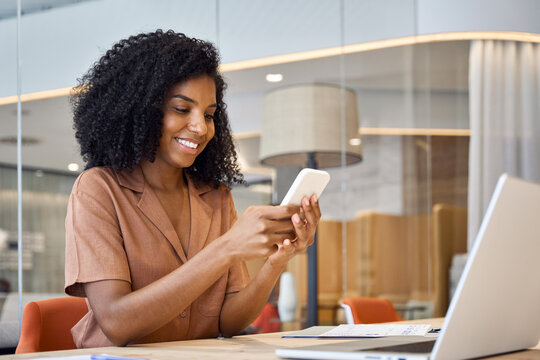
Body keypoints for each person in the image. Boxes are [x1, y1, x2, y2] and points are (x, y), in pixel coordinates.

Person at [65, 30, 321, 348]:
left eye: (210, 114)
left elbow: (229, 322)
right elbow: (118, 323)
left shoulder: (216, 196)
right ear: (141, 111)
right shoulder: (98, 190)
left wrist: (278, 260)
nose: (201, 127)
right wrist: (226, 248)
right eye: (182, 109)